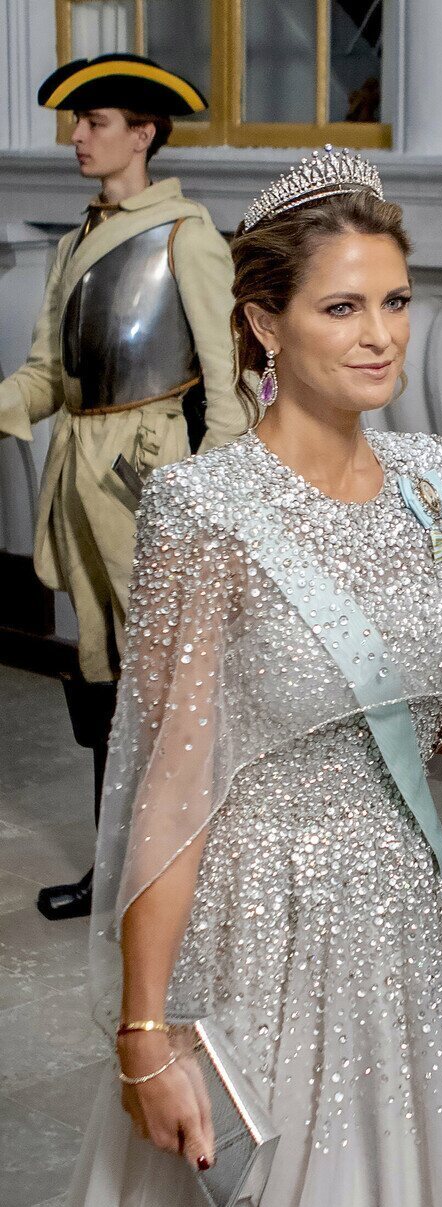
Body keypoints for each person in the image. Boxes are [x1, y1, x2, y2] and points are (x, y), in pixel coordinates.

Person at [21, 146, 442, 1207]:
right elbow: (167, 783)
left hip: (401, 927)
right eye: (342, 306)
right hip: (257, 925)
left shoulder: (435, 480)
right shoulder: (200, 509)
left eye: (394, 301)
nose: (381, 336)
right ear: (262, 321)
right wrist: (145, 1033)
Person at [0, 53, 243, 920]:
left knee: (170, 687)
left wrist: (204, 509)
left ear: (143, 133)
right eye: (78, 123)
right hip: (79, 479)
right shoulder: (70, 246)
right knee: (103, 680)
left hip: (152, 482)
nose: (77, 137)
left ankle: (187, 881)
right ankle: (118, 875)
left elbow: (229, 390)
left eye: (94, 122)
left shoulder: (187, 235)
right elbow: (42, 376)